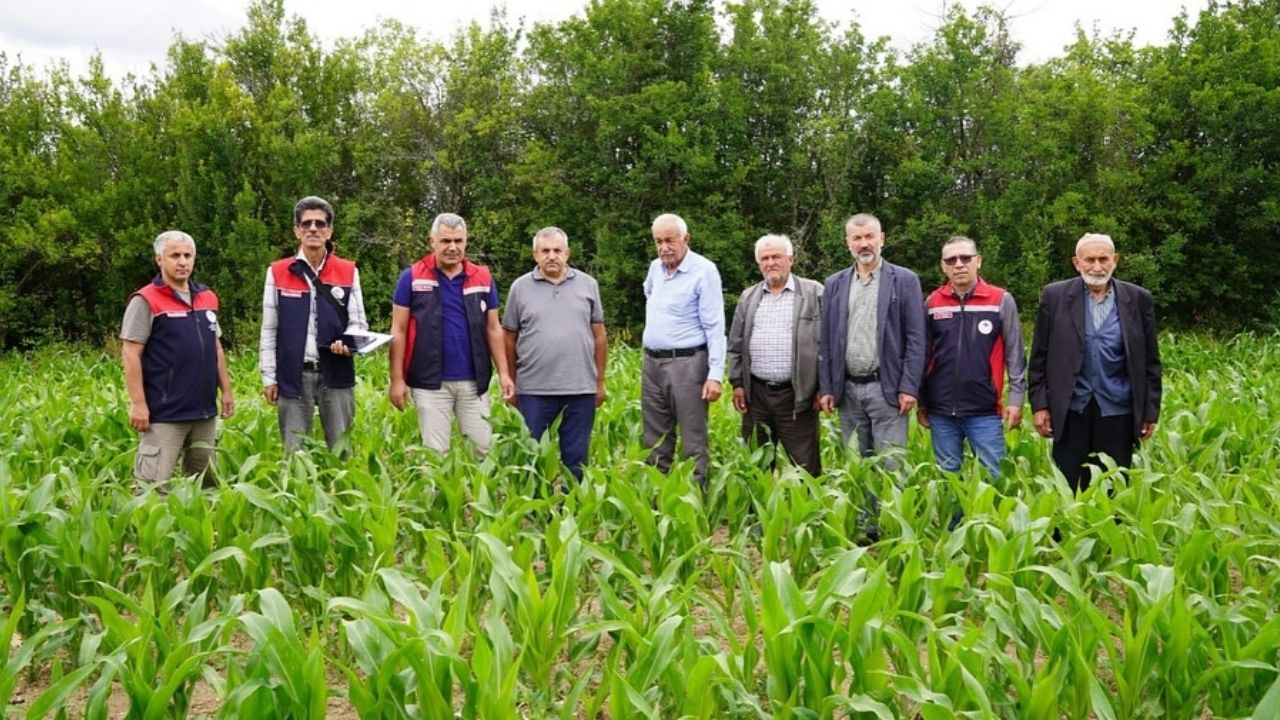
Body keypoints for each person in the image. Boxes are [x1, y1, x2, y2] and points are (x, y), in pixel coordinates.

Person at [817, 213, 926, 540]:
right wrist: (827, 387)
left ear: (882, 239)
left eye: (869, 237)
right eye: (857, 238)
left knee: (893, 464)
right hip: (848, 391)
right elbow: (827, 339)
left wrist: (909, 386)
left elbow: (916, 338)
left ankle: (896, 527)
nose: (864, 244)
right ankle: (869, 528)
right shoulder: (835, 283)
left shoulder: (904, 280)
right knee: (858, 463)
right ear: (848, 243)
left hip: (888, 389)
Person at [1028, 233, 1162, 490]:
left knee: (1113, 483)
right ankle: (1066, 532)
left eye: (1104, 259)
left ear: (1115, 260)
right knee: (1067, 485)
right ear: (1077, 263)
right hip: (1071, 408)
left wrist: (1149, 411)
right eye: (1090, 260)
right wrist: (1040, 405)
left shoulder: (1137, 299)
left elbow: (1150, 362)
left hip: (1118, 409)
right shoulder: (1054, 296)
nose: (1097, 266)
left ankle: (1111, 530)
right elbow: (1039, 357)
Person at [388, 212, 515, 456]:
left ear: (466, 241)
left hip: (474, 382)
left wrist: (505, 374)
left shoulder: (483, 277)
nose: (453, 247)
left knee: (483, 451)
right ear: (432, 241)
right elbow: (399, 330)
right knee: (435, 455)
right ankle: (435, 496)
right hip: (429, 383)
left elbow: (493, 328)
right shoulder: (412, 277)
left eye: (458, 241)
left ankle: (479, 495)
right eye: (446, 241)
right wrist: (396, 379)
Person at [121, 231, 234, 487]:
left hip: (204, 411)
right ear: (159, 259)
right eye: (175, 256)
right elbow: (130, 353)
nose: (182, 262)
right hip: (165, 413)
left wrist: (226, 390)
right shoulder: (145, 300)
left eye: (187, 255)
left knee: (207, 486)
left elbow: (215, 347)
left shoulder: (207, 297)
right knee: (152, 488)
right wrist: (138, 404)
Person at [259, 196, 368, 454]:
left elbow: (359, 324)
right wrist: (268, 376)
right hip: (293, 375)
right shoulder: (277, 272)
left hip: (337, 372)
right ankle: (298, 494)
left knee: (341, 453)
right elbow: (269, 329)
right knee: (294, 453)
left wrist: (349, 345)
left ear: (329, 231)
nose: (313, 229)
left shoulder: (348, 270)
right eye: (306, 223)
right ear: (296, 230)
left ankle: (341, 495)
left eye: (320, 223)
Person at [502, 227, 608, 481]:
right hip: (534, 390)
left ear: (567, 253)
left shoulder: (588, 284)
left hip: (580, 389)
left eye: (557, 250)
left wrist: (599, 381)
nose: (552, 256)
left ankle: (573, 511)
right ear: (535, 255)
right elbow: (508, 337)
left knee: (576, 458)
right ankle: (537, 514)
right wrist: (512, 382)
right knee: (533, 457)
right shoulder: (520, 288)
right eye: (545, 251)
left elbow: (600, 335)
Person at [918, 236, 1026, 477]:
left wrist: (1016, 400)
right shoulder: (932, 303)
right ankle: (953, 518)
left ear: (978, 261)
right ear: (943, 266)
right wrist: (922, 402)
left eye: (965, 258)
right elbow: (924, 356)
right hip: (941, 411)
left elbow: (1016, 355)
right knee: (948, 480)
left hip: (984, 410)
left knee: (994, 477)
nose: (959, 264)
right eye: (951, 260)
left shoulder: (1000, 300)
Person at [641, 213, 726, 488]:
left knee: (693, 440)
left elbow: (715, 326)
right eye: (658, 241)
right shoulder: (655, 268)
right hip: (652, 364)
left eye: (670, 240)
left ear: (685, 239)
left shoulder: (704, 270)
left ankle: (694, 510)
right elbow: (650, 296)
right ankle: (657, 505)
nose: (664, 247)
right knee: (655, 441)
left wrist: (715, 374)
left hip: (688, 364)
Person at [727, 234, 824, 476]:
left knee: (805, 467)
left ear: (791, 259)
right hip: (757, 396)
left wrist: (824, 386)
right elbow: (736, 343)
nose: (770, 262)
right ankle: (756, 514)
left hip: (798, 397)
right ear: (759, 263)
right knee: (755, 465)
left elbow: (828, 344)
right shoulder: (748, 297)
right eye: (765, 258)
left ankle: (809, 513)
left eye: (776, 256)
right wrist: (738, 382)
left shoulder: (815, 292)